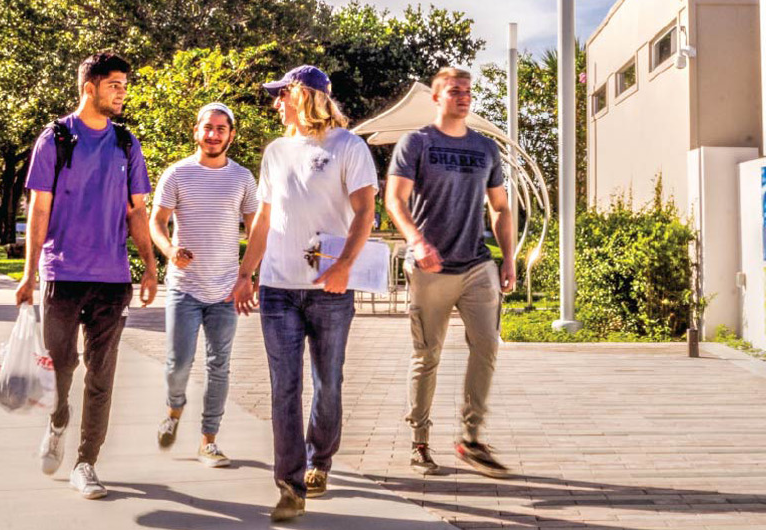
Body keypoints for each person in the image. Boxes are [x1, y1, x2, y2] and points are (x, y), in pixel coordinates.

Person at [232, 65, 379, 522]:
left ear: (305, 95)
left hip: (329, 290)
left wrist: (343, 266)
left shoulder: (347, 146)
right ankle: (290, 485)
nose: (276, 103)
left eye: (282, 94)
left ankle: (320, 460)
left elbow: (365, 211)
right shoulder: (275, 152)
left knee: (327, 384)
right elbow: (263, 219)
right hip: (278, 290)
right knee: (284, 389)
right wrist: (245, 274)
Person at [15, 51, 159, 500]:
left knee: (101, 374)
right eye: (114, 83)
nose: (122, 91)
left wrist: (150, 267)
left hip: (112, 277)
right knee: (61, 367)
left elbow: (138, 210)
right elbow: (40, 208)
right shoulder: (56, 138)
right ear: (89, 87)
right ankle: (57, 421)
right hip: (62, 272)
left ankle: (86, 462)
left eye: (124, 84)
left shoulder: (126, 143)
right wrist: (28, 274)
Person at [386, 67, 517, 479]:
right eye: (454, 91)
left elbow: (499, 207)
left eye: (467, 91)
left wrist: (509, 258)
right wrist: (416, 241)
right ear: (437, 98)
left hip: (477, 264)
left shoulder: (485, 148)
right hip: (429, 268)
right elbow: (395, 200)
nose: (463, 97)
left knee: (487, 346)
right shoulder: (417, 142)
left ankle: (471, 438)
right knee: (428, 355)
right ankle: (420, 442)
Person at [149, 102, 260, 468]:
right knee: (178, 363)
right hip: (184, 288)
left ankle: (208, 441)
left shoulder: (242, 178)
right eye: (207, 128)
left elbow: (256, 229)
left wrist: (249, 274)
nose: (213, 134)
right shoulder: (177, 174)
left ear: (230, 134)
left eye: (221, 129)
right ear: (196, 131)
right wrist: (169, 250)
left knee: (219, 365)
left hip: (225, 290)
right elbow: (157, 222)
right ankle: (173, 410)